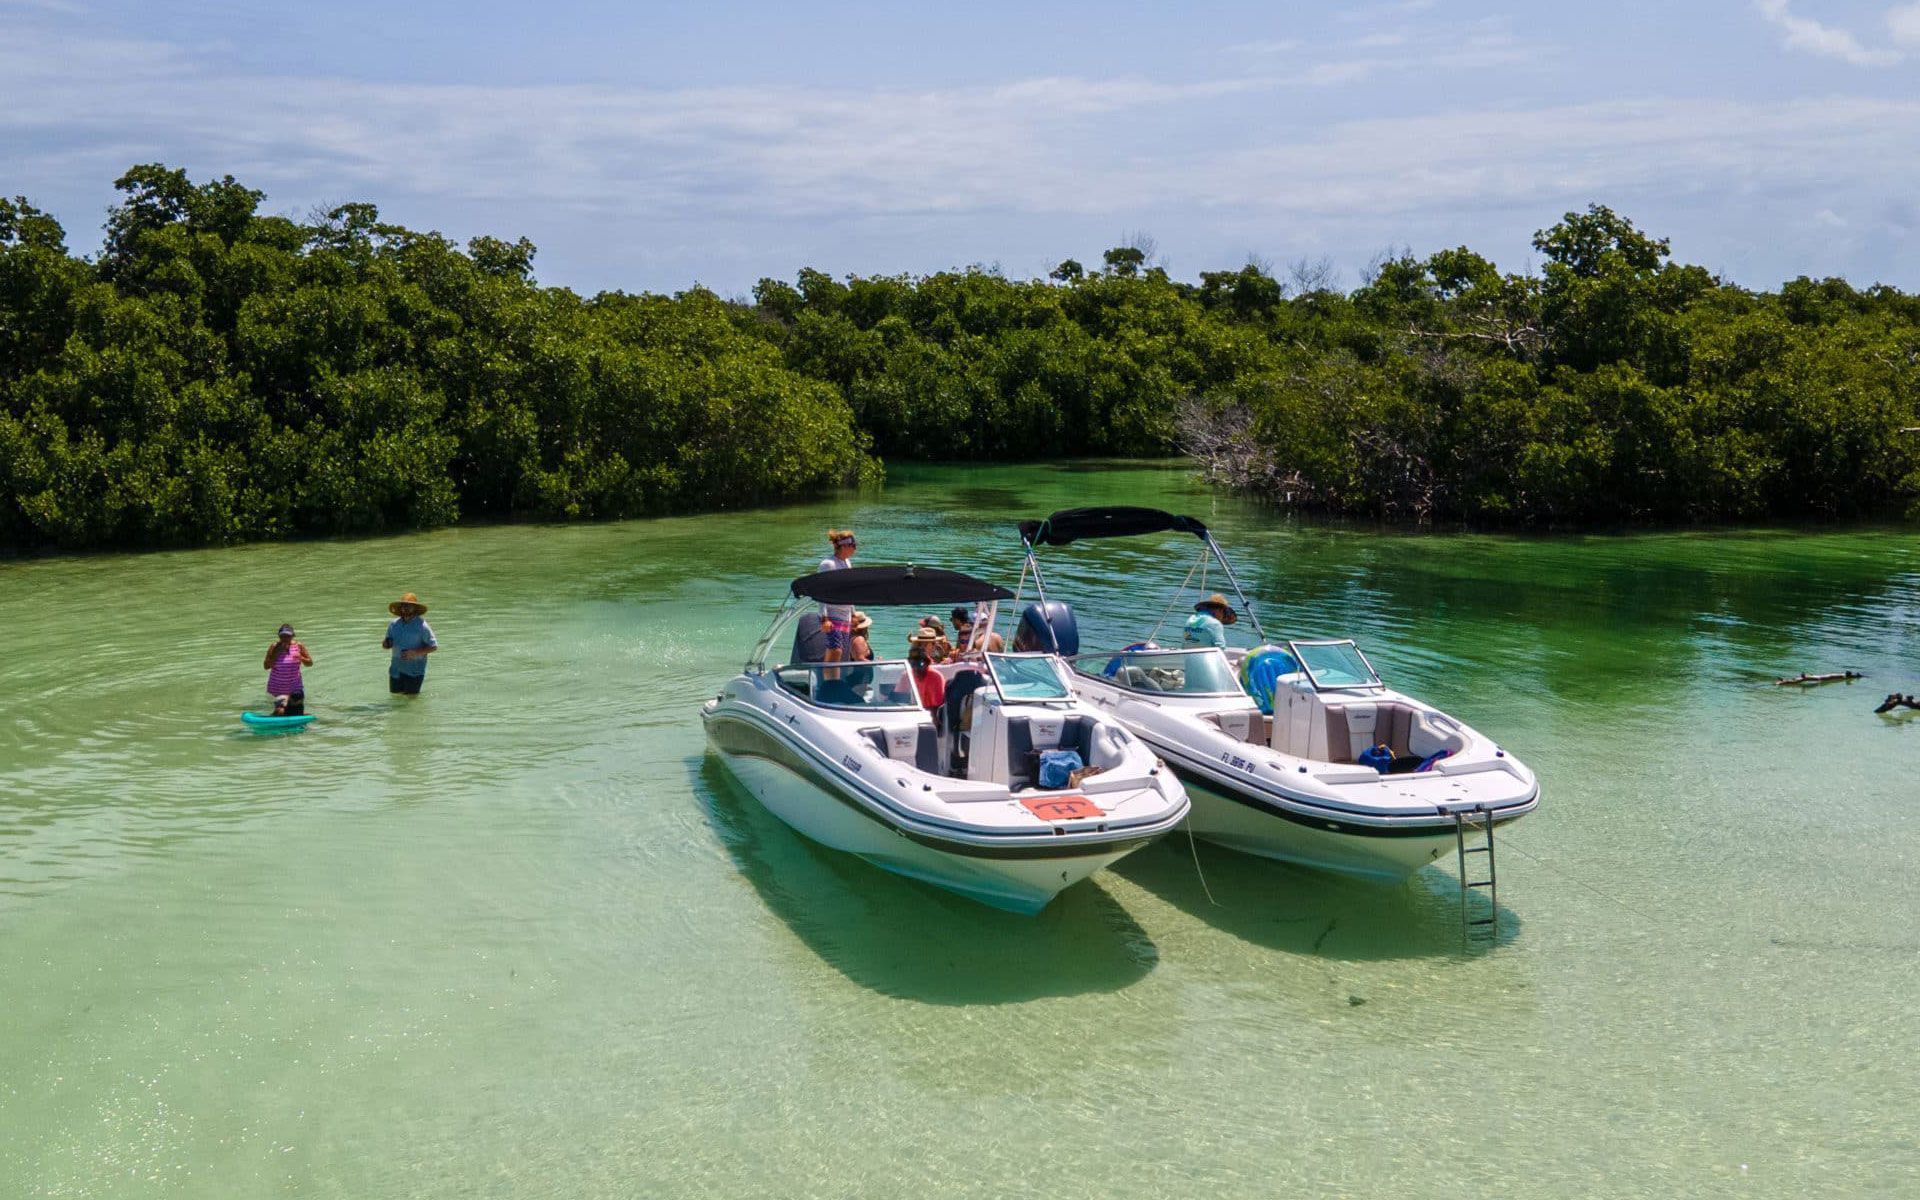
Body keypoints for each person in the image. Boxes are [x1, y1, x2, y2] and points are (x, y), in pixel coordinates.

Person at [816, 530, 857, 669]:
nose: (855, 548)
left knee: (841, 652)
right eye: (853, 544)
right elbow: (820, 590)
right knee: (835, 648)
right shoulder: (828, 564)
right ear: (844, 546)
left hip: (845, 615)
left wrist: (853, 613)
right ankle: (827, 680)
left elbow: (850, 590)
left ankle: (834, 679)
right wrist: (824, 617)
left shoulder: (847, 563)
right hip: (832, 614)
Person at [383, 592, 438, 695]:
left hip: (414, 672)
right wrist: (386, 644)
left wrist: (415, 653)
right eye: (403, 605)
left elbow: (433, 646)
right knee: (395, 699)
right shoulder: (393, 624)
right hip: (396, 671)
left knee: (411, 704)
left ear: (415, 608)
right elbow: (387, 643)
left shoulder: (422, 626)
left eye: (409, 605)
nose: (405, 608)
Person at [263, 624, 312, 715]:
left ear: (293, 636)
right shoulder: (274, 646)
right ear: (279, 636)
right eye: (282, 636)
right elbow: (266, 666)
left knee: (297, 711)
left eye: (288, 636)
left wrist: (300, 657)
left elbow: (310, 663)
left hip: (295, 686)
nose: (285, 638)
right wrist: (277, 653)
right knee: (280, 711)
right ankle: (273, 723)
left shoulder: (299, 646)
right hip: (278, 686)